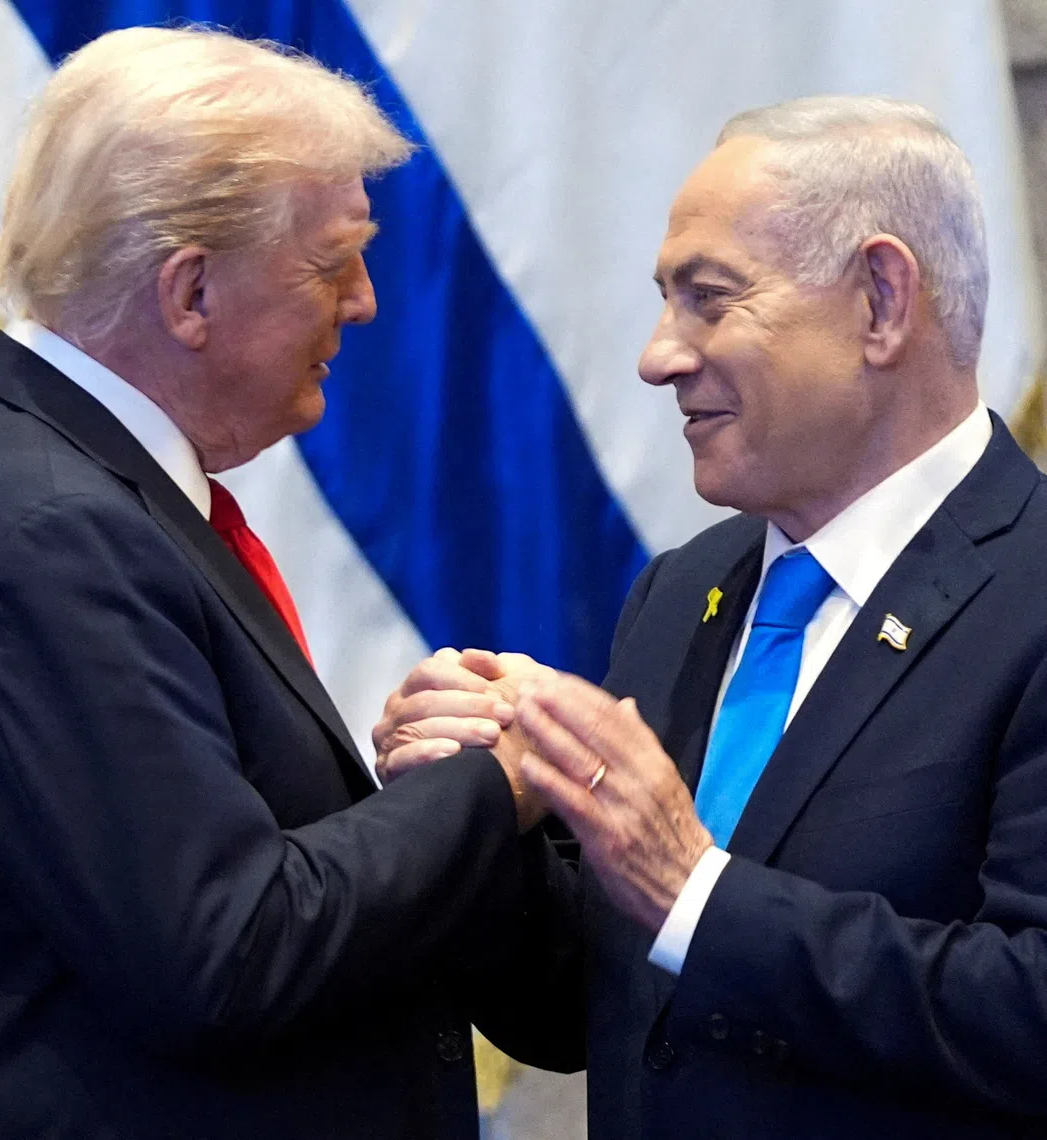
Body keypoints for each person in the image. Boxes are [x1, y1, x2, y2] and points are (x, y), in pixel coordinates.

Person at [0, 26, 574, 1140]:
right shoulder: (50, 532)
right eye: (330, 261)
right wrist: (495, 778)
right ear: (190, 292)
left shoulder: (66, 483)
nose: (362, 301)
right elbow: (224, 950)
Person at [375, 96, 1047, 1137]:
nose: (660, 356)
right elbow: (585, 1014)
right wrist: (478, 817)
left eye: (709, 300)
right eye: (664, 303)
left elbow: (1031, 1014)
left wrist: (695, 890)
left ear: (881, 299)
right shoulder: (686, 590)